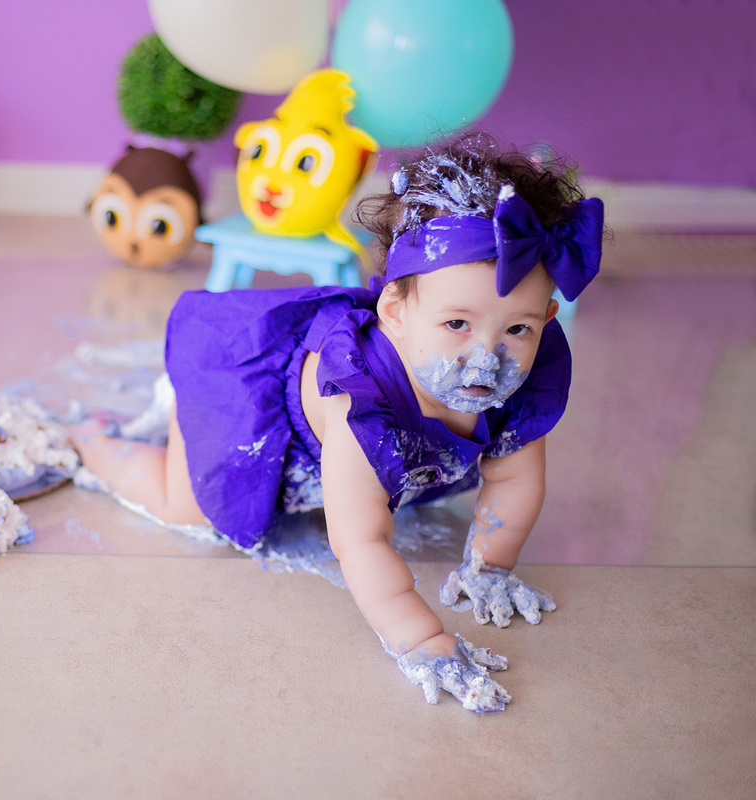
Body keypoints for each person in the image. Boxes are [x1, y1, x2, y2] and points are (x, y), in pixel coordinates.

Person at [73, 134, 605, 712]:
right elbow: (359, 539)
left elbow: (516, 481)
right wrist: (422, 640)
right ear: (396, 314)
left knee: (386, 478)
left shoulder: (524, 374)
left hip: (369, 435)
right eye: (456, 324)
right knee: (188, 505)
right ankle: (94, 442)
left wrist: (490, 567)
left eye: (517, 330)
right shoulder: (362, 402)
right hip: (252, 402)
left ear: (548, 318)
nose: (487, 357)